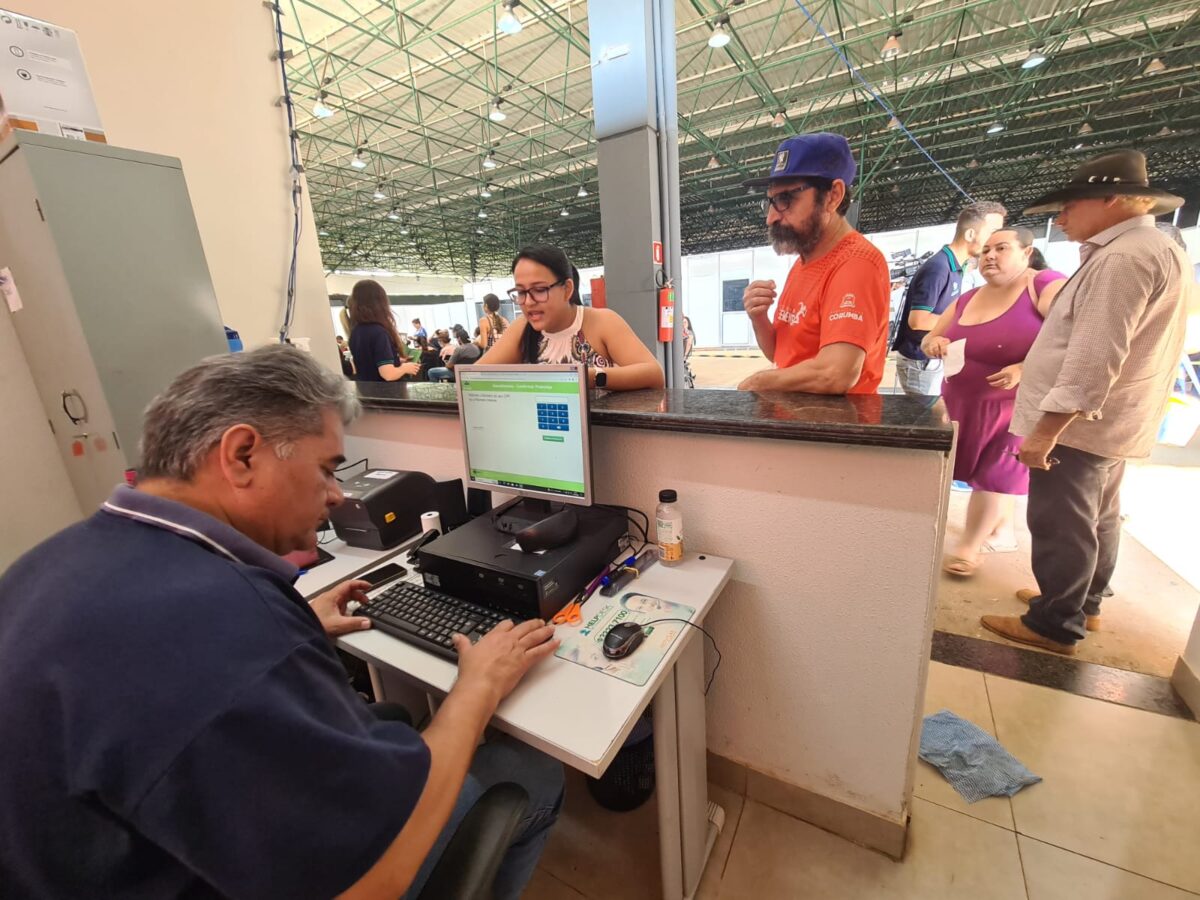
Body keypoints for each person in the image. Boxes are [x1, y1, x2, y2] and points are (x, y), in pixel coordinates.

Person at [0, 345, 563, 899]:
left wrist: (295, 636)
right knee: (531, 775)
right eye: (325, 470)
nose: (338, 495)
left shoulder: (45, 565)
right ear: (242, 455)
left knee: (391, 715)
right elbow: (373, 879)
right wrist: (478, 687)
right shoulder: (239, 624)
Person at [978, 150, 1190, 655]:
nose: (1060, 217)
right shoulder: (1155, 247)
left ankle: (1055, 622)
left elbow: (1095, 357)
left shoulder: (1122, 257)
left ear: (1111, 199)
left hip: (1080, 425)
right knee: (1100, 515)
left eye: (1071, 205)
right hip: (1116, 418)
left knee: (1062, 520)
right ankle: (1082, 601)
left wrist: (1047, 431)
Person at [921, 228, 1067, 576]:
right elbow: (929, 338)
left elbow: (1074, 338)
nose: (989, 256)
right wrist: (936, 344)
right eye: (984, 250)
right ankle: (1002, 531)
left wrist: (1024, 367)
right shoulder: (968, 297)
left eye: (1001, 248)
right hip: (960, 403)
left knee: (995, 476)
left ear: (1027, 252)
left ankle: (969, 547)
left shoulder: (1046, 285)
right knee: (971, 472)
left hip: (1013, 407)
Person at [737, 133, 890, 394]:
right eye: (771, 202)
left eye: (786, 199)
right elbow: (782, 354)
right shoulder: (804, 263)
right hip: (799, 423)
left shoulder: (856, 264)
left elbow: (836, 373)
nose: (771, 218)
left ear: (833, 196)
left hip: (832, 430)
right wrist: (759, 318)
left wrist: (761, 383)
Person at [480, 245, 665, 390]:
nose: (528, 302)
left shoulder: (601, 321)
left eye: (539, 290)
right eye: (521, 292)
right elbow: (474, 377)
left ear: (567, 289)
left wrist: (587, 377)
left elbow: (654, 374)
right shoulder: (521, 328)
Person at [891, 201, 1008, 396]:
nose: (996, 240)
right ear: (970, 234)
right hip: (921, 362)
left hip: (933, 359)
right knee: (924, 422)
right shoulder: (939, 268)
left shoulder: (955, 267)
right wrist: (966, 321)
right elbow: (918, 320)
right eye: (993, 232)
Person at [348, 279, 421, 382]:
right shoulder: (379, 333)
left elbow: (369, 362)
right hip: (387, 394)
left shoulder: (356, 332)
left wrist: (395, 361)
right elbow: (388, 374)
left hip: (365, 391)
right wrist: (405, 368)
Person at [682, 315, 697, 388]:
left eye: (685, 322)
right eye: (682, 322)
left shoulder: (689, 333)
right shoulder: (682, 332)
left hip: (684, 354)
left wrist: (685, 356)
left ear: (688, 324)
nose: (683, 324)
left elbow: (689, 344)